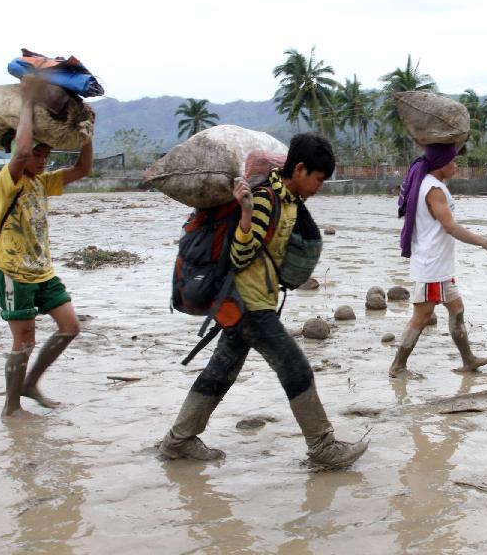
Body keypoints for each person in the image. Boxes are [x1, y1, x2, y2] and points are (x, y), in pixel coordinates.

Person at [158, 133, 368, 468]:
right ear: (299, 169)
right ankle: (323, 446)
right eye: (317, 179)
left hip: (254, 301)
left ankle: (178, 441)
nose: (319, 187)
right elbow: (241, 256)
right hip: (247, 303)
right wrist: (245, 212)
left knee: (220, 371)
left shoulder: (288, 200)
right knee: (295, 367)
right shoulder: (267, 198)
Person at [0, 75, 93, 418]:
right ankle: (11, 407)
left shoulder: (43, 182)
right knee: (24, 340)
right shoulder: (9, 181)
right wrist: (26, 101)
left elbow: (83, 168)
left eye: (46, 155)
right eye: (38, 155)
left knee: (70, 327)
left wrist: (86, 135)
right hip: (12, 270)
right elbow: (20, 151)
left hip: (42, 271)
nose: (42, 161)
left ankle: (30, 383)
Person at [388, 143, 487, 378]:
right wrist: (486, 242)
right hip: (432, 267)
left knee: (457, 309)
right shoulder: (433, 189)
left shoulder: (433, 185)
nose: (456, 165)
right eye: (453, 161)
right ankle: (397, 366)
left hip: (440, 267)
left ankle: (468, 359)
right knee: (421, 317)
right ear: (441, 164)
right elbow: (450, 227)